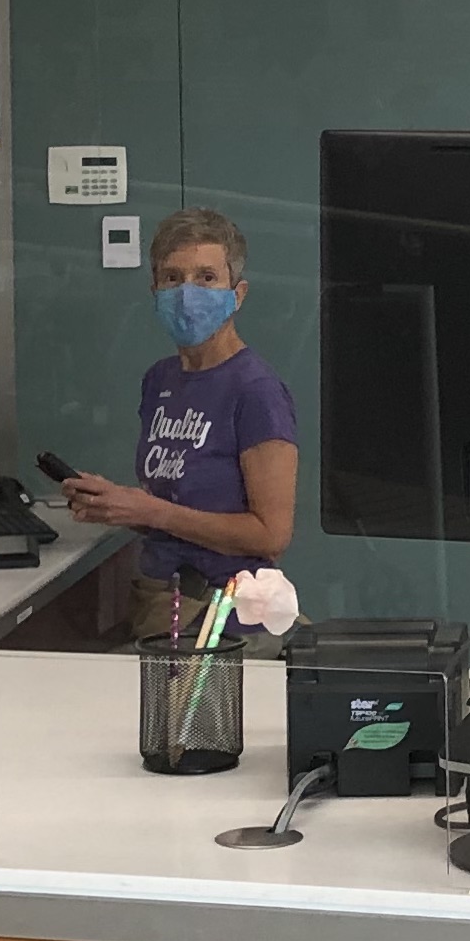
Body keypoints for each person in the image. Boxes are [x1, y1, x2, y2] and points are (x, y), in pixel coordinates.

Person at [56, 206, 300, 639]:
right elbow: (174, 510)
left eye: (207, 277)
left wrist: (152, 509)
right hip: (160, 603)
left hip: (222, 617)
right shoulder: (161, 380)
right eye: (173, 278)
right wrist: (117, 504)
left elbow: (271, 535)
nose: (188, 293)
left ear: (237, 293)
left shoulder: (256, 391)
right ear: (154, 289)